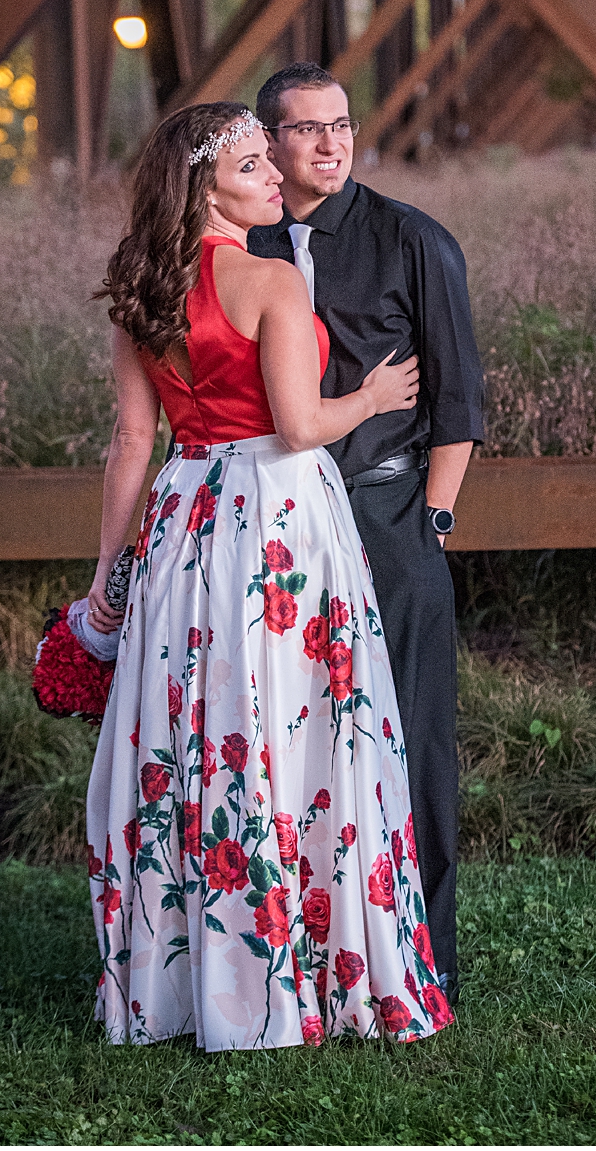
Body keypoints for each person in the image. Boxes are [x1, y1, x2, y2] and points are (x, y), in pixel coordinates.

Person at [86, 101, 452, 1048]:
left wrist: (105, 575)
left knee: (198, 726)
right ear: (206, 184)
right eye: (253, 165)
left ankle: (187, 979)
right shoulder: (272, 279)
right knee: (293, 722)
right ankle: (302, 968)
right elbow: (298, 426)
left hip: (185, 515)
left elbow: (134, 440)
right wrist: (368, 395)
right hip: (280, 518)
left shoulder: (142, 286)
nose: (274, 178)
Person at [245, 62, 483, 1002]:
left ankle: (426, 959)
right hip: (273, 525)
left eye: (341, 124)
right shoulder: (240, 241)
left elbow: (459, 402)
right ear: (269, 142)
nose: (332, 143)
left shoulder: (413, 239)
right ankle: (305, 957)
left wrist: (431, 519)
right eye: (307, 129)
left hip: (386, 516)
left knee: (412, 744)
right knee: (289, 744)